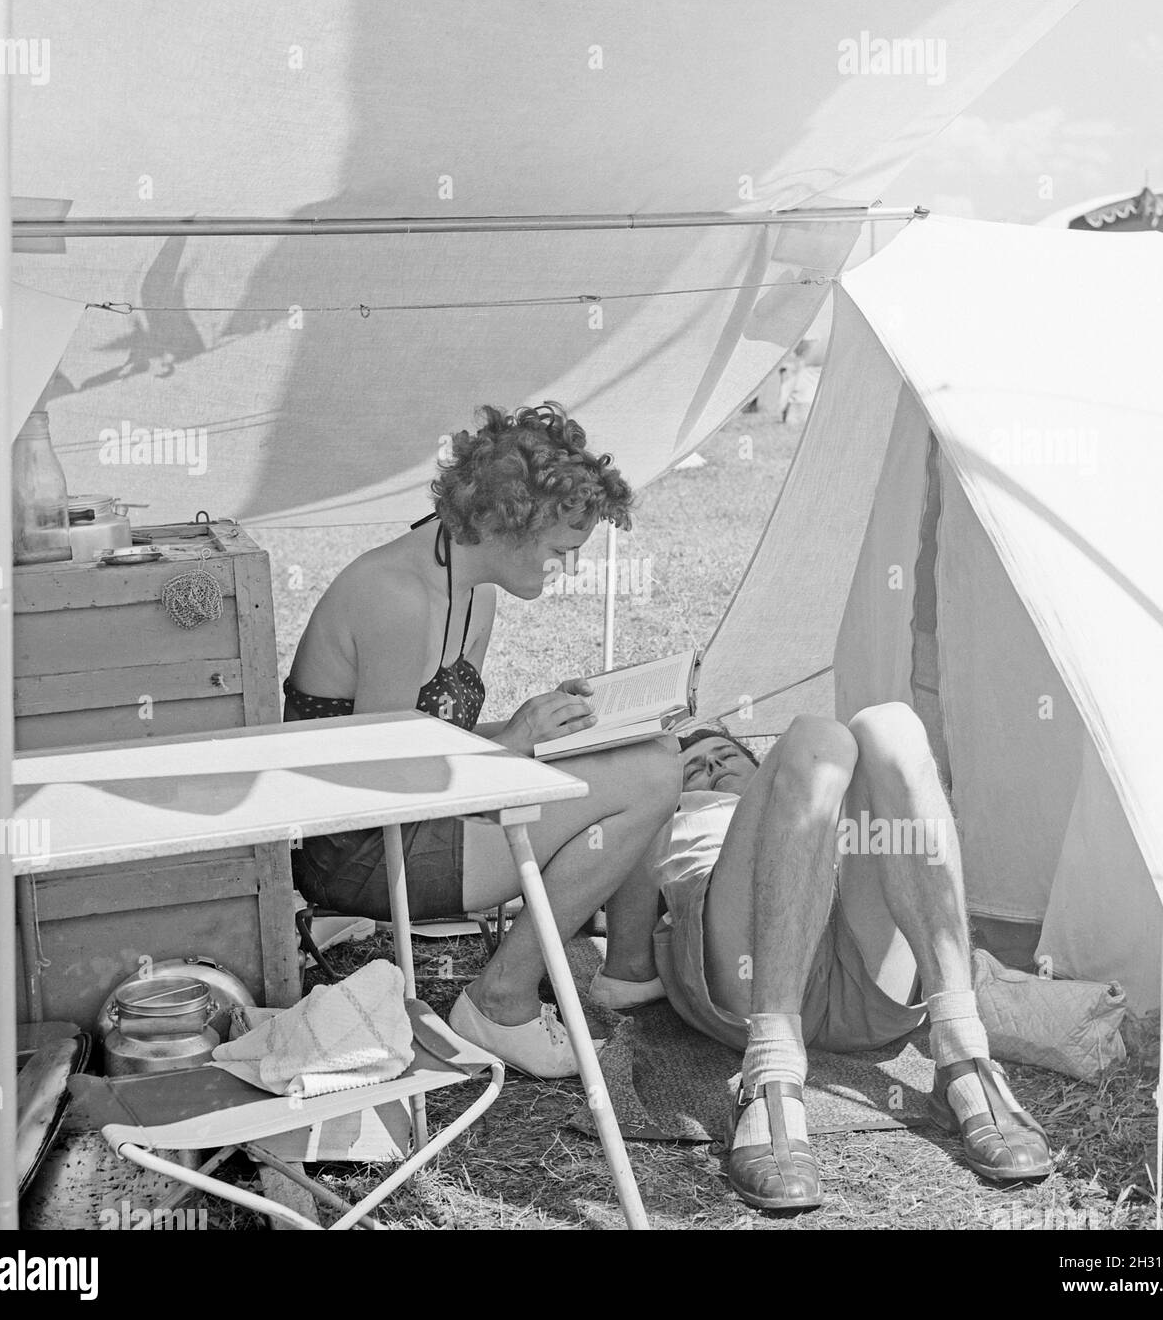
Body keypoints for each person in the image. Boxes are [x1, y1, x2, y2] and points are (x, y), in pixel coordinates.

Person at [283, 403, 681, 1077]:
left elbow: (441, 740)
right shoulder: (398, 598)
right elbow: (381, 789)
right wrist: (520, 742)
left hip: (418, 828)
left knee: (649, 752)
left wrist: (544, 726)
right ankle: (500, 1000)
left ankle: (624, 970)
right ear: (506, 523)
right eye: (560, 549)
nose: (567, 567)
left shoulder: (471, 585)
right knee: (647, 776)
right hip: (361, 854)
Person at [653, 709, 1050, 1210]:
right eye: (695, 770)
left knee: (891, 725)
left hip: (863, 987)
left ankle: (961, 1050)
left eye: (725, 755)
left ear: (759, 763)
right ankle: (770, 1070)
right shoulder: (679, 818)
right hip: (750, 984)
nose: (711, 769)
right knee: (816, 736)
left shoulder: (824, 792)